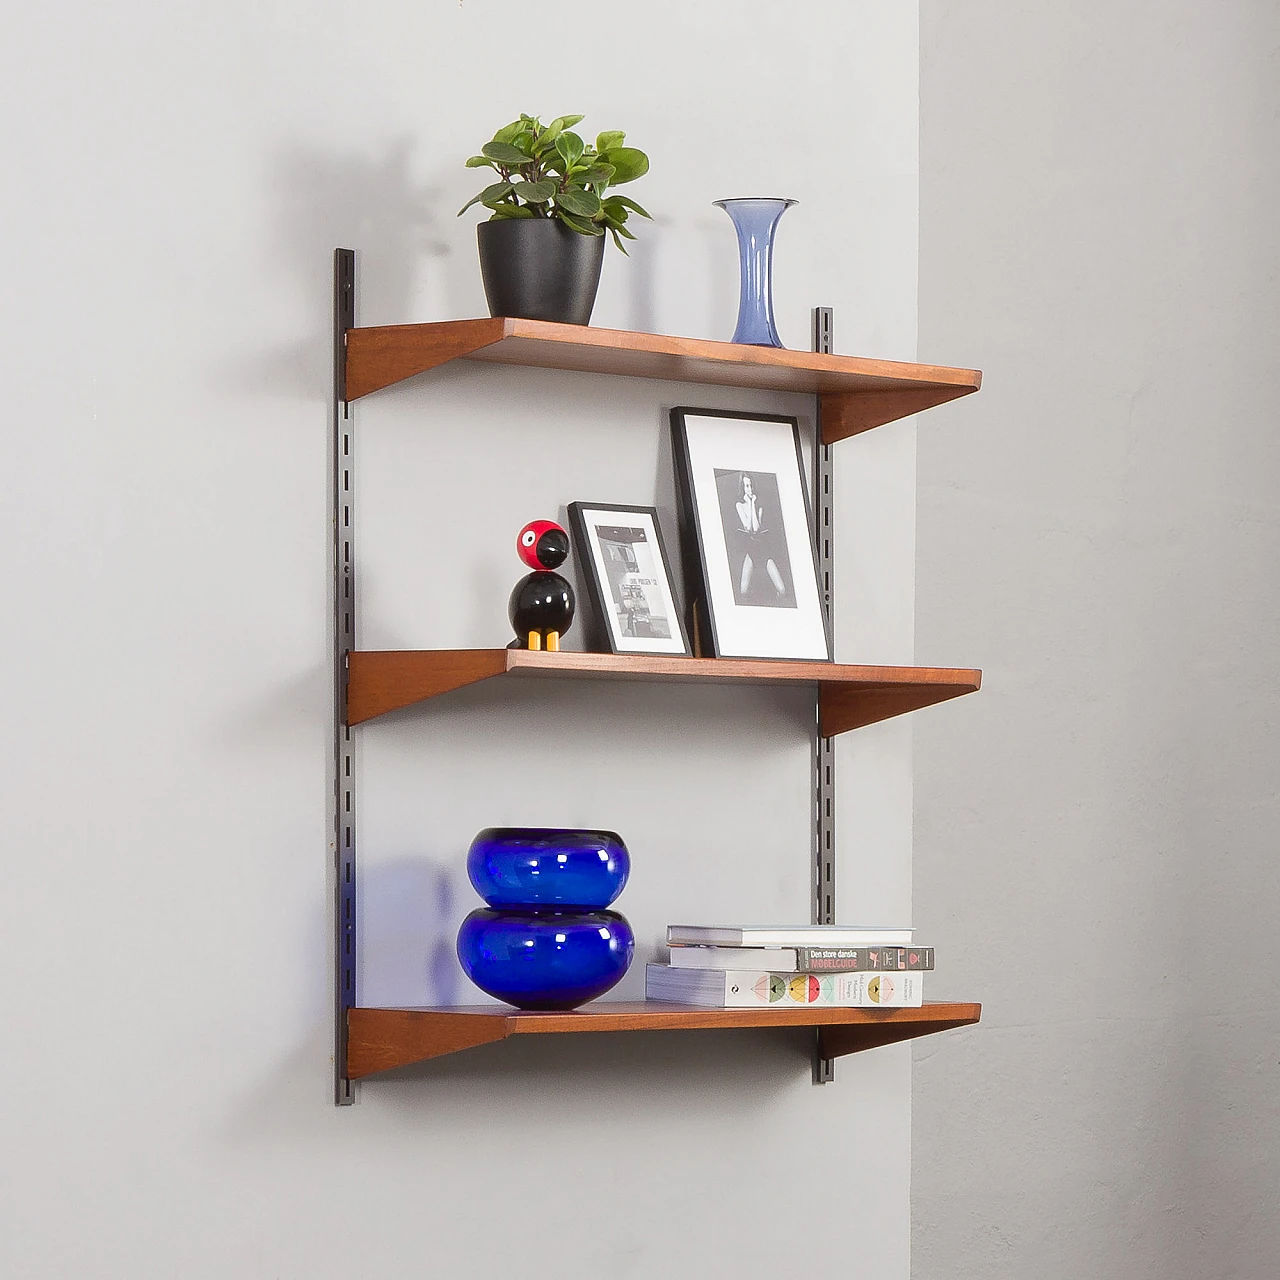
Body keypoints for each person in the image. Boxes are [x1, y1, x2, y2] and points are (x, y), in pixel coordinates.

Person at [731, 473, 787, 600]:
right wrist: (749, 504)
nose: (749, 489)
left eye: (751, 485)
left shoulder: (759, 505)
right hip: (751, 552)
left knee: (782, 590)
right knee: (743, 592)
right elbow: (748, 527)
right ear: (743, 488)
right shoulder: (739, 506)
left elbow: (756, 528)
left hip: (764, 551)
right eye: (746, 486)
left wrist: (752, 504)